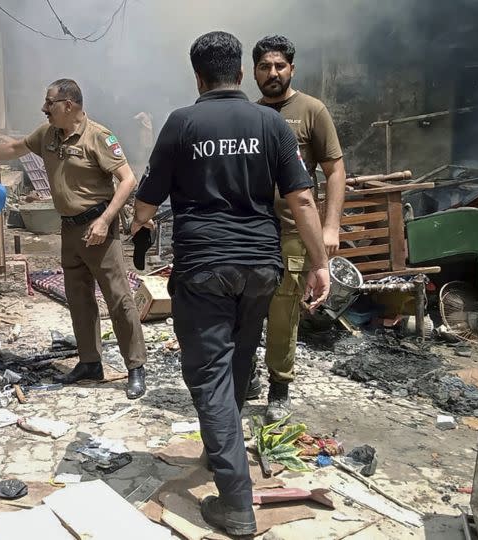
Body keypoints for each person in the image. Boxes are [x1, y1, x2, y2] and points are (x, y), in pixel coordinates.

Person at [131, 31, 330, 536]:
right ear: (242, 74)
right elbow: (303, 200)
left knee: (209, 374)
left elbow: (146, 205)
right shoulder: (270, 122)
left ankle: (236, 502)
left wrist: (139, 229)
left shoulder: (182, 123)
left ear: (198, 76)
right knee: (239, 359)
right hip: (262, 267)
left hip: (205, 269)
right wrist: (319, 263)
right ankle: (220, 445)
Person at [0, 79, 148, 399]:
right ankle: (90, 361)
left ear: (69, 105)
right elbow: (15, 148)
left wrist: (105, 221)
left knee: (118, 298)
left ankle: (136, 368)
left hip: (98, 229)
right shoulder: (47, 134)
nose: (44, 108)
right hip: (69, 229)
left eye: (50, 103)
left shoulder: (99, 136)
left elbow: (128, 179)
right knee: (78, 297)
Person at [251, 35, 346, 423]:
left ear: (292, 68)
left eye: (279, 66)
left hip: (293, 229)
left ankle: (279, 387)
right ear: (253, 72)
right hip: (253, 228)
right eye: (264, 67)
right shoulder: (249, 114)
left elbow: (335, 170)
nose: (272, 73)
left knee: (283, 310)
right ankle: (245, 376)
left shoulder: (311, 111)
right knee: (247, 308)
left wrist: (331, 226)